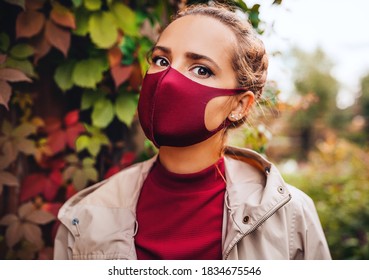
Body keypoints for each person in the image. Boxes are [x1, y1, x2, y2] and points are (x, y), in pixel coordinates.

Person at [53, 3, 331, 260]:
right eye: (161, 61)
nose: (168, 80)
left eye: (201, 69)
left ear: (239, 105)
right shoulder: (83, 219)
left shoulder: (290, 217)